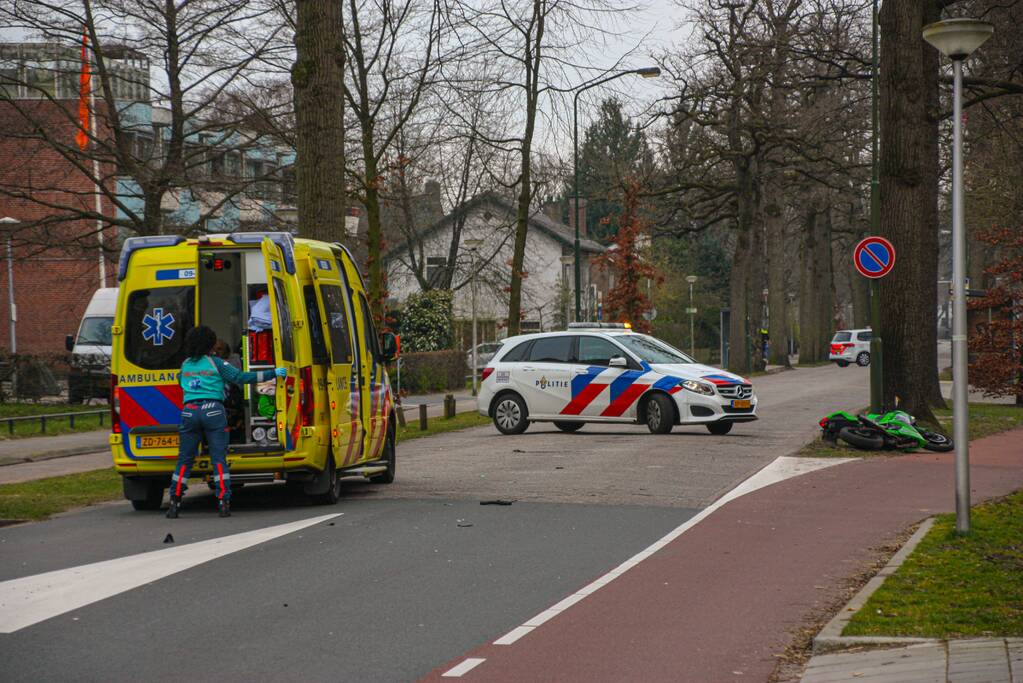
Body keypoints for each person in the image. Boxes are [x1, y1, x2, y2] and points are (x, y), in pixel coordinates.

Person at [167, 326, 286, 519]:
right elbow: (241, 377)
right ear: (209, 344)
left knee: (185, 459)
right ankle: (223, 501)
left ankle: (174, 501)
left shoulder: (185, 365)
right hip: (213, 411)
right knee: (218, 459)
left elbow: (181, 382)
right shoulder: (216, 363)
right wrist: (273, 373)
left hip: (189, 412)